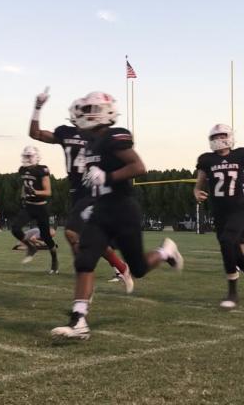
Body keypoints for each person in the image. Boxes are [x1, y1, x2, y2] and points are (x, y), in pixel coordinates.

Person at [51, 91, 183, 339]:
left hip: (123, 209)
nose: (86, 115)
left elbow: (138, 167)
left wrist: (109, 177)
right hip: (101, 209)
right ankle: (79, 320)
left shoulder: (114, 135)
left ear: (105, 111)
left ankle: (166, 251)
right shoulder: (90, 142)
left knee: (139, 268)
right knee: (85, 259)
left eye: (91, 109)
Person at [28, 89, 133, 291]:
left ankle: (85, 284)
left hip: (95, 190)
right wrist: (38, 108)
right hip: (76, 192)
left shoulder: (99, 134)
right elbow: (36, 134)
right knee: (88, 238)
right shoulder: (65, 132)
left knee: (74, 233)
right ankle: (120, 268)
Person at [194, 124, 244, 308]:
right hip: (219, 212)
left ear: (230, 137)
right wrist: (197, 192)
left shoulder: (240, 154)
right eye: (215, 137)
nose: (218, 140)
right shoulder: (206, 159)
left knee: (227, 241)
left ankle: (232, 292)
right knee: (232, 249)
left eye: (221, 136)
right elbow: (199, 183)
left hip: (239, 209)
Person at [10, 146, 60, 274]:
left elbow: (48, 192)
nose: (27, 159)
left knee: (46, 237)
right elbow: (24, 186)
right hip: (29, 206)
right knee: (15, 228)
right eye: (25, 156)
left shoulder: (42, 170)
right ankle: (31, 247)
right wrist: (22, 196)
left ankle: (54, 259)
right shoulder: (22, 169)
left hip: (41, 207)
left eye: (29, 156)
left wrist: (35, 191)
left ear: (36, 157)